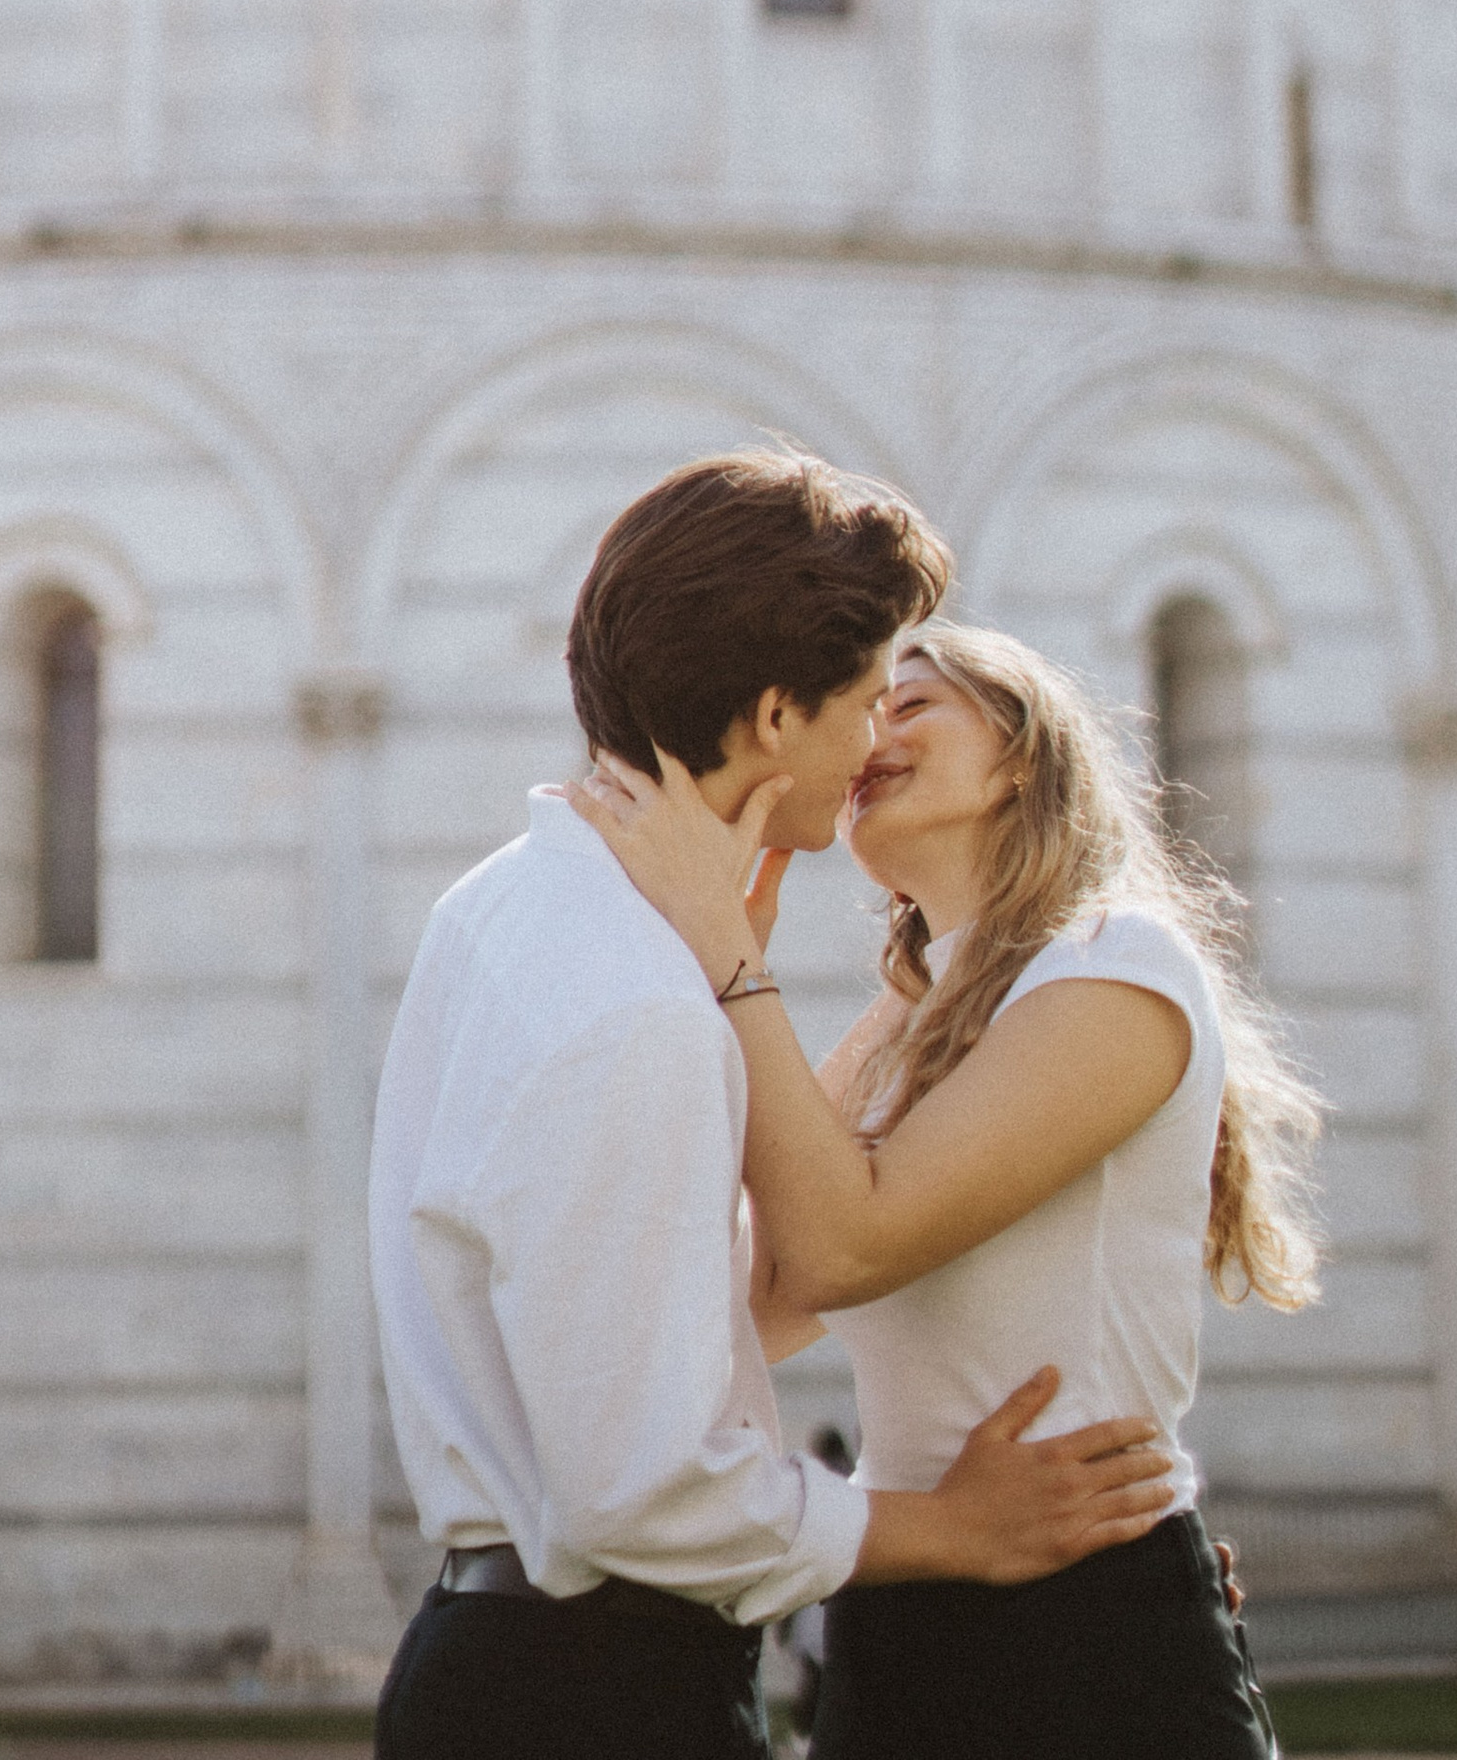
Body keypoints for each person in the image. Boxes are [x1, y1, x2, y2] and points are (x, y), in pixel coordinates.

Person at [369, 460, 1179, 1760]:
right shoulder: (640, 994)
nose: (869, 747)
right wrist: (952, 1529)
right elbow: (642, 1490)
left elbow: (700, 1309)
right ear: (774, 718)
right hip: (600, 1695)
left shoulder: (505, 907)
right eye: (866, 703)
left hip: (522, 1663)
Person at [572, 615, 1323, 1760]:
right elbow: (760, 1303)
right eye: (867, 709)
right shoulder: (912, 1015)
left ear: (1020, 755)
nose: (871, 731)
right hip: (899, 1611)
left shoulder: (1117, 965)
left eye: (911, 703)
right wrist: (709, 965)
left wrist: (728, 952)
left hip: (1090, 1619)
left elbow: (847, 1248)